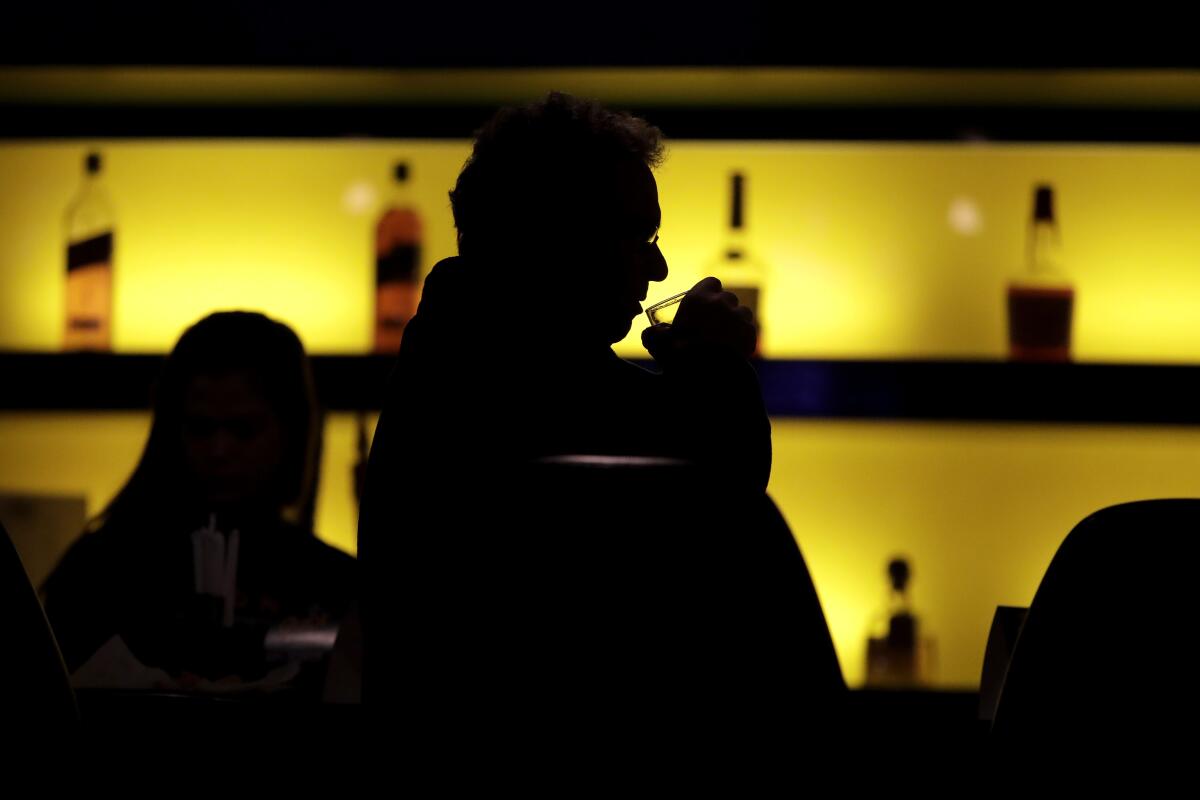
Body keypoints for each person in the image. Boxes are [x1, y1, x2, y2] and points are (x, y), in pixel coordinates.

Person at [359, 93, 786, 727]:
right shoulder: (527, 383)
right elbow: (720, 513)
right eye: (639, 237)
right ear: (555, 240)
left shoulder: (448, 355)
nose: (660, 265)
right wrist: (716, 366)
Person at [42, 311, 356, 684]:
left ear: (291, 433)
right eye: (200, 427)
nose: (218, 450)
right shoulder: (98, 570)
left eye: (243, 430)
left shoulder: (336, 584)